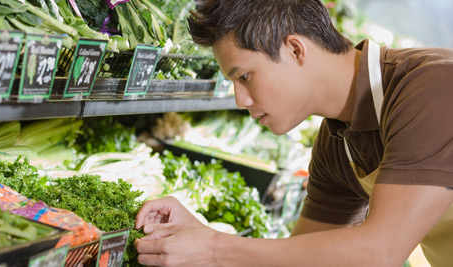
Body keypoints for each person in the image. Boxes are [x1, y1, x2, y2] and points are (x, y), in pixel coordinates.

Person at [134, 0, 453, 266]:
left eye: (244, 76)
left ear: (295, 50)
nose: (240, 99)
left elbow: (381, 251)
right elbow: (301, 257)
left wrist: (214, 247)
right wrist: (197, 233)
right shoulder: (335, 145)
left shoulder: (433, 87)